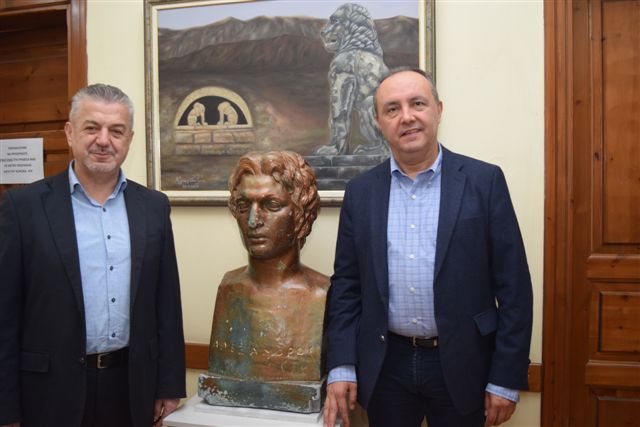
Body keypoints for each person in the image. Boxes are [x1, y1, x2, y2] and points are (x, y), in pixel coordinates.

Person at [323, 68, 533, 427]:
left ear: (438, 110)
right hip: (386, 365)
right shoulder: (361, 192)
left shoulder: (484, 182)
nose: (406, 117)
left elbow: (514, 288)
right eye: (392, 109)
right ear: (379, 122)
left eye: (417, 104)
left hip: (464, 362)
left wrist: (505, 377)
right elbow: (347, 286)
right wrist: (341, 364)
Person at [0, 84, 186, 427]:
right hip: (48, 393)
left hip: (132, 389)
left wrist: (169, 385)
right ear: (70, 133)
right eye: (92, 128)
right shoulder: (23, 207)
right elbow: (5, 315)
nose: (104, 140)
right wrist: (5, 409)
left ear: (129, 139)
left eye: (116, 131)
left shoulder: (154, 207)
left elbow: (166, 303)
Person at [200, 152, 329, 413]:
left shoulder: (322, 294)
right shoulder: (229, 289)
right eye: (243, 206)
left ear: (301, 214)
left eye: (271, 205)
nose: (253, 221)